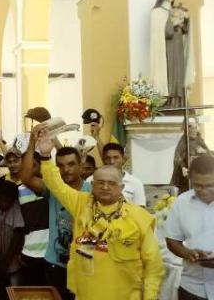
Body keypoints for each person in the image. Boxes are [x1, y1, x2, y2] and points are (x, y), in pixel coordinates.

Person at [34, 124, 164, 300]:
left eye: (111, 183)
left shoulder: (138, 217)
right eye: (100, 182)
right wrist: (45, 155)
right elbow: (55, 184)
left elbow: (153, 264)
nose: (105, 187)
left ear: (122, 187)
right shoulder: (81, 203)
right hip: (87, 292)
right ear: (92, 184)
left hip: (125, 295)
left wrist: (149, 297)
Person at [20, 139, 92, 300]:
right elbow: (25, 178)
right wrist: (32, 141)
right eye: (60, 165)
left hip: (85, 263)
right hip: (56, 263)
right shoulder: (52, 189)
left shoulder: (93, 191)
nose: (66, 169)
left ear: (81, 165)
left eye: (71, 164)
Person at [165, 155, 214, 300]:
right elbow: (172, 239)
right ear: (190, 179)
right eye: (198, 185)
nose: (204, 190)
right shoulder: (182, 202)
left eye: (210, 185)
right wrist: (187, 253)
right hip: (192, 288)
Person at [15, 151, 50, 287]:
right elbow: (18, 225)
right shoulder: (18, 191)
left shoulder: (52, 187)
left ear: (40, 165)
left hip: (49, 254)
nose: (30, 170)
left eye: (34, 165)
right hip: (28, 252)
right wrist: (19, 251)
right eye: (26, 166)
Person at [0, 180, 25, 300]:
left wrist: (6, 261)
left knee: (15, 289)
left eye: (9, 201)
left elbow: (17, 236)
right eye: (2, 199)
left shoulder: (16, 208)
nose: (5, 203)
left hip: (11, 257)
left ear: (13, 200)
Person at [170, 117, 212, 193]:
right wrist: (182, 167)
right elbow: (178, 156)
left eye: (195, 128)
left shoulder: (199, 139)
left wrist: (204, 151)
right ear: (187, 130)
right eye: (192, 129)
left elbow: (209, 153)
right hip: (189, 173)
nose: (194, 131)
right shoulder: (184, 141)